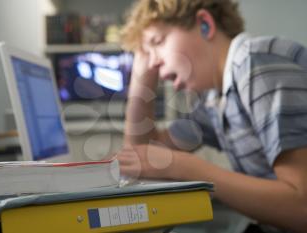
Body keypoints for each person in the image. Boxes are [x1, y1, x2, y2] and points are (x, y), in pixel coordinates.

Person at [115, 0, 307, 232]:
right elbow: (141, 157)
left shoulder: (254, 64)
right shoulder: (215, 100)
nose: (153, 63)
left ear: (205, 24)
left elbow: (301, 208)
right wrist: (141, 75)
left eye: (158, 41)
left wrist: (184, 167)